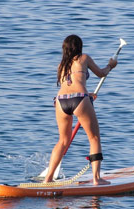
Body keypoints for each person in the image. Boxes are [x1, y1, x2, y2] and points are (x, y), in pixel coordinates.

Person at [44, 35, 117, 185]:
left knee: (62, 141)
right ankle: (97, 179)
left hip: (60, 101)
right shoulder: (84, 58)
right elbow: (101, 73)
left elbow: (69, 86)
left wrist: (87, 95)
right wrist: (111, 65)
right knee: (94, 138)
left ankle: (48, 179)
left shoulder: (61, 65)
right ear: (79, 47)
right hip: (79, 100)